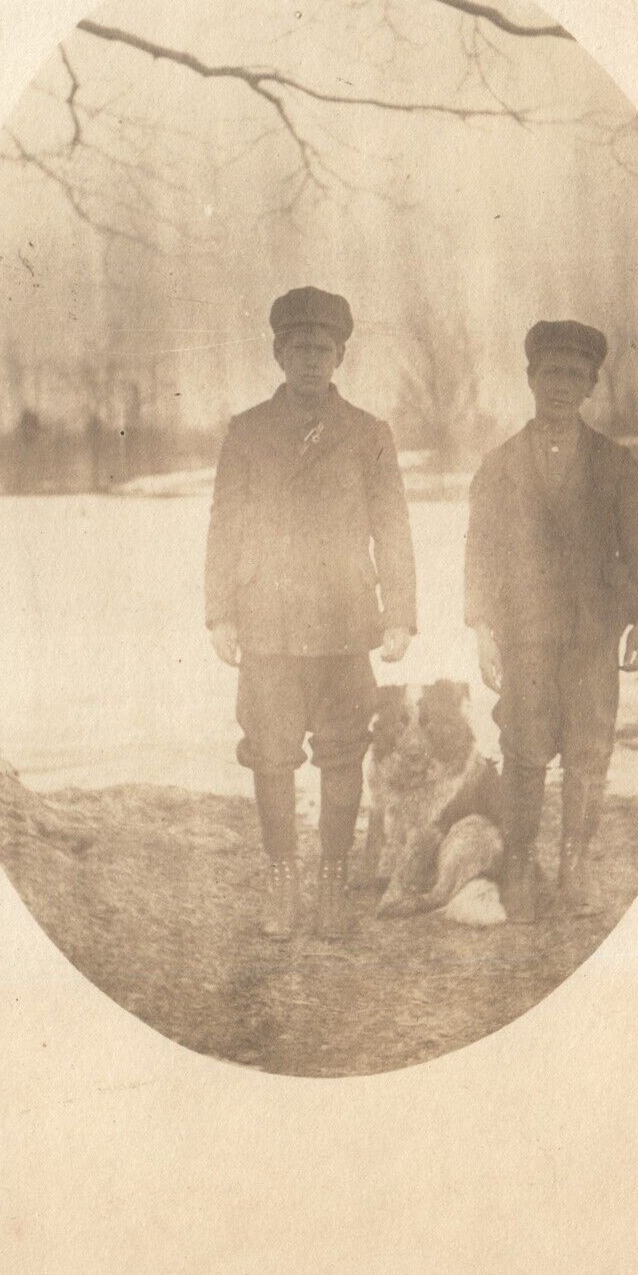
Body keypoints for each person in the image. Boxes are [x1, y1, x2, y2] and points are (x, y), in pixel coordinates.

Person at [205, 286, 416, 941]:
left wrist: (399, 613)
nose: (309, 361)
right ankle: (281, 885)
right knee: (270, 756)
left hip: (344, 623)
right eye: (297, 349)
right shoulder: (246, 432)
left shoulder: (368, 434)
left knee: (342, 753)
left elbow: (393, 526)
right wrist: (219, 614)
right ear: (277, 352)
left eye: (322, 350)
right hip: (266, 622)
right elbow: (224, 525)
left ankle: (330, 884)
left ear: (340, 356)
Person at [464, 320, 638, 922]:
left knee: (587, 751)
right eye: (550, 373)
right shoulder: (498, 466)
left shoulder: (615, 464)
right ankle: (521, 867)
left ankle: (572, 873)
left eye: (574, 375)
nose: (560, 385)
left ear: (591, 385)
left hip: (592, 635)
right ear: (530, 379)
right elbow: (481, 551)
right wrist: (481, 629)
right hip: (524, 633)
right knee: (523, 750)